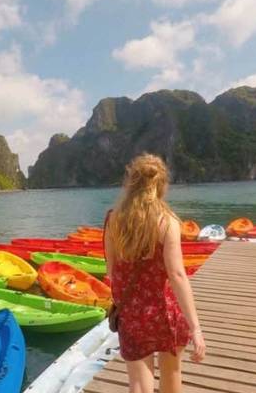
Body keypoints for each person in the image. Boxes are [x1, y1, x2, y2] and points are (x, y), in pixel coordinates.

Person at [103, 153, 206, 393]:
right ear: (161, 185)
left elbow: (111, 270)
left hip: (131, 314)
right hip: (165, 311)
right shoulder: (167, 222)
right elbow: (177, 275)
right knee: (171, 374)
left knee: (139, 384)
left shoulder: (113, 220)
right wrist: (196, 328)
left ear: (131, 183)